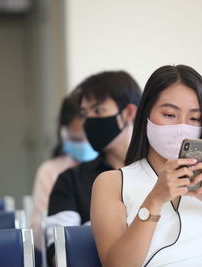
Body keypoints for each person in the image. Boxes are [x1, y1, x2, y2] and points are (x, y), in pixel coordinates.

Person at [91, 65, 202, 267]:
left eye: (195, 118)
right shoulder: (112, 183)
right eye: (169, 115)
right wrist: (154, 201)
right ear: (146, 115)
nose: (182, 127)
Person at [46, 70, 142, 265]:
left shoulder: (160, 173)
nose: (88, 121)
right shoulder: (70, 180)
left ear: (129, 113)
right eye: (84, 114)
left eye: (98, 111)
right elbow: (60, 252)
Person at [30, 90, 98, 251]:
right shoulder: (50, 172)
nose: (84, 144)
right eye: (76, 138)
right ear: (63, 132)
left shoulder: (113, 170)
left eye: (89, 137)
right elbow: (39, 235)